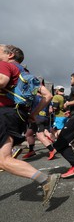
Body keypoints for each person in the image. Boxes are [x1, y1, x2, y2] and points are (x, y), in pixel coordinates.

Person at [0, 44, 59, 205]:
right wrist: (32, 114)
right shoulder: (26, 73)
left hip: (4, 113)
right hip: (19, 115)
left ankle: (45, 179)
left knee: (3, 159)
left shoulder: (5, 64)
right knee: (3, 158)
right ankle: (45, 180)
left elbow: (2, 81)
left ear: (10, 54)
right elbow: (47, 95)